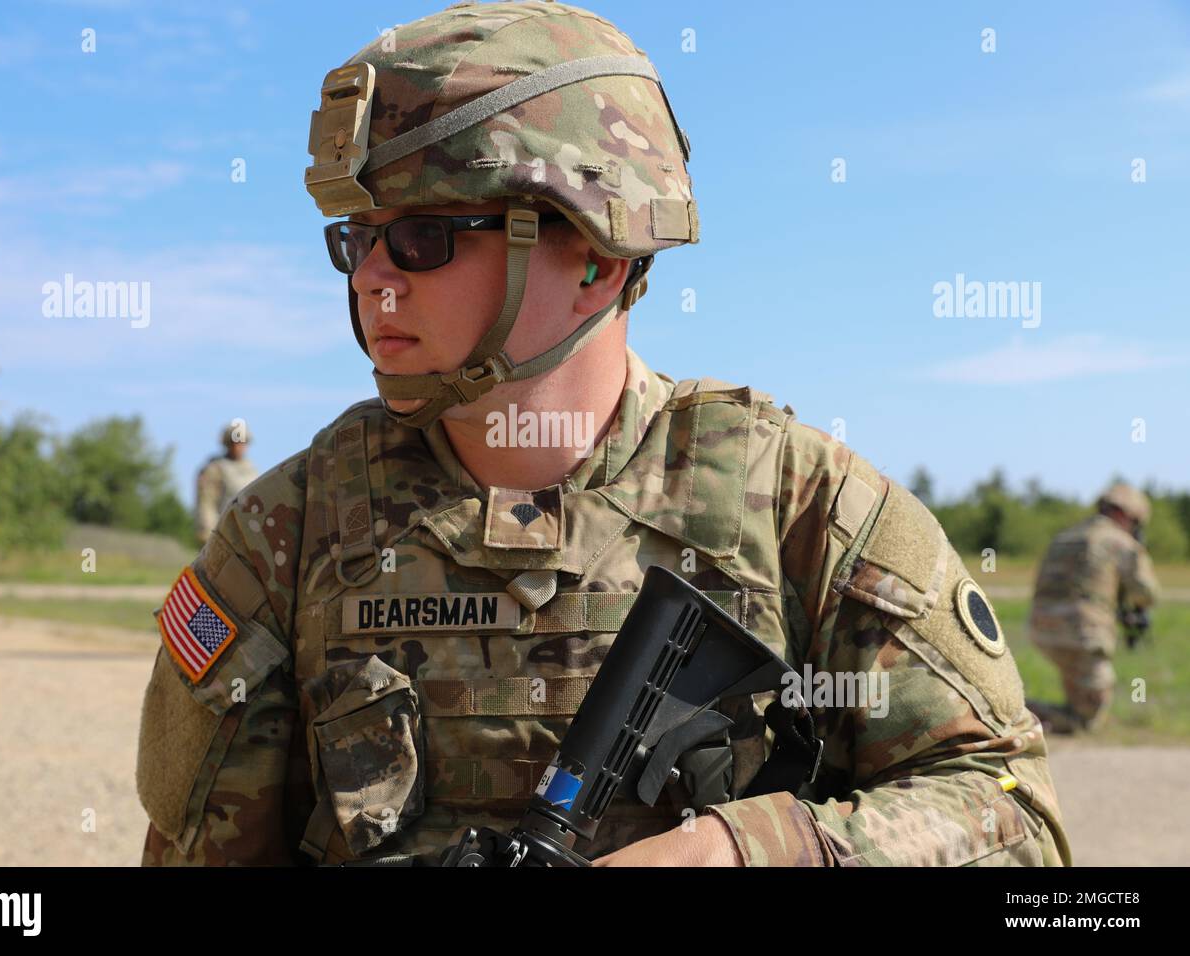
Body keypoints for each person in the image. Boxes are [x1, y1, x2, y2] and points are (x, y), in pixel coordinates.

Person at [135, 0, 1069, 866]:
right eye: (357, 238)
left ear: (595, 258)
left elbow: (1013, 813)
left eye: (422, 237)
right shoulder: (289, 532)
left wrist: (747, 851)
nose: (373, 277)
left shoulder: (802, 506)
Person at [1026, 482, 1160, 734]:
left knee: (1079, 700)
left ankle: (1018, 715)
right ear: (1123, 514)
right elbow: (1147, 593)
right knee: (1087, 720)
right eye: (1135, 523)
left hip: (1041, 630)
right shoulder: (1119, 541)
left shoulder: (1066, 536)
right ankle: (1016, 716)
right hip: (1083, 634)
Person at [194, 422, 259, 545]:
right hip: (223, 535)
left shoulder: (251, 469)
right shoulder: (215, 468)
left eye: (242, 442)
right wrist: (209, 534)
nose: (239, 446)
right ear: (227, 443)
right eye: (235, 441)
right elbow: (206, 504)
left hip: (248, 534)